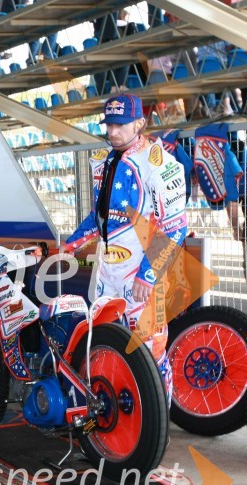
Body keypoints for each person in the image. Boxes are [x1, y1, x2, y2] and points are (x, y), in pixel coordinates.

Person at [62, 94, 188, 405]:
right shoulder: (105, 161)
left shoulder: (161, 165)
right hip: (109, 272)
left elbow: (175, 227)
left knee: (151, 351)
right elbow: (99, 217)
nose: (112, 131)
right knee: (109, 345)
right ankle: (125, 421)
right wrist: (70, 244)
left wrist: (147, 276)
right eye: (109, 124)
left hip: (145, 275)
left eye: (120, 125)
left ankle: (159, 425)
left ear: (140, 123)